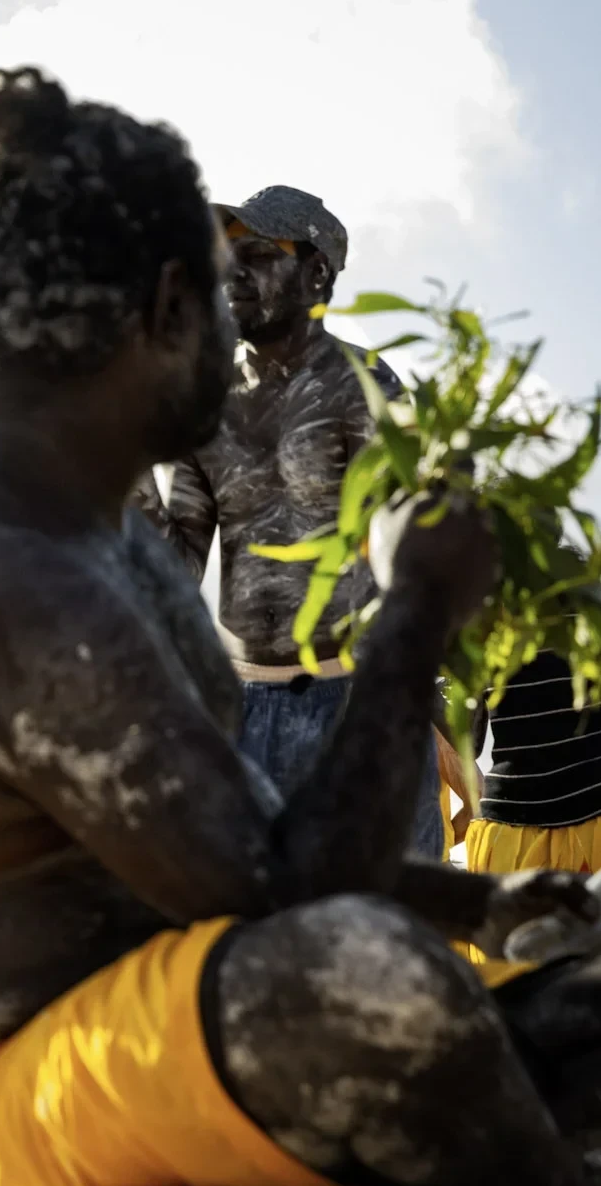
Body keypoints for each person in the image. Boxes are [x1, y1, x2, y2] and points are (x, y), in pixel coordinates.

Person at [0, 67, 601, 1186]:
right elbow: (279, 894)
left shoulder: (88, 519)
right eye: (214, 284)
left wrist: (480, 898)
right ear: (167, 308)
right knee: (365, 968)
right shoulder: (8, 572)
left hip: (192, 1023)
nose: (232, 308)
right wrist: (415, 611)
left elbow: (239, 840)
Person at [128, 185, 446, 860]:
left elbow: (416, 557)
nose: (232, 275)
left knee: (384, 917)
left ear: (317, 273)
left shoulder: (368, 389)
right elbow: (176, 567)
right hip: (240, 713)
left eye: (258, 256)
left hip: (356, 709)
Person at [464, 595, 601, 876]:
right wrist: (598, 773)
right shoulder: (591, 598)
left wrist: (428, 701)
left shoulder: (478, 614)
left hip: (509, 840)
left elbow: (469, 745)